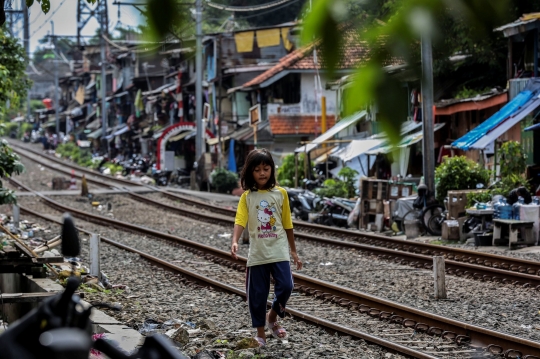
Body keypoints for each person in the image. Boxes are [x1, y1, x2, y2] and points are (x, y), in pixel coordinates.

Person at [230, 148, 302, 347]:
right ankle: (260, 332)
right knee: (257, 294)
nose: (262, 173)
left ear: (272, 170)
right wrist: (234, 240)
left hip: (279, 250)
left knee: (287, 286)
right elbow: (240, 220)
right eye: (257, 169)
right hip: (258, 253)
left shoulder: (281, 194)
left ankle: (272, 317)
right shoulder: (247, 197)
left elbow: (288, 223)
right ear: (250, 172)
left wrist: (293, 251)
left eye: (266, 168)